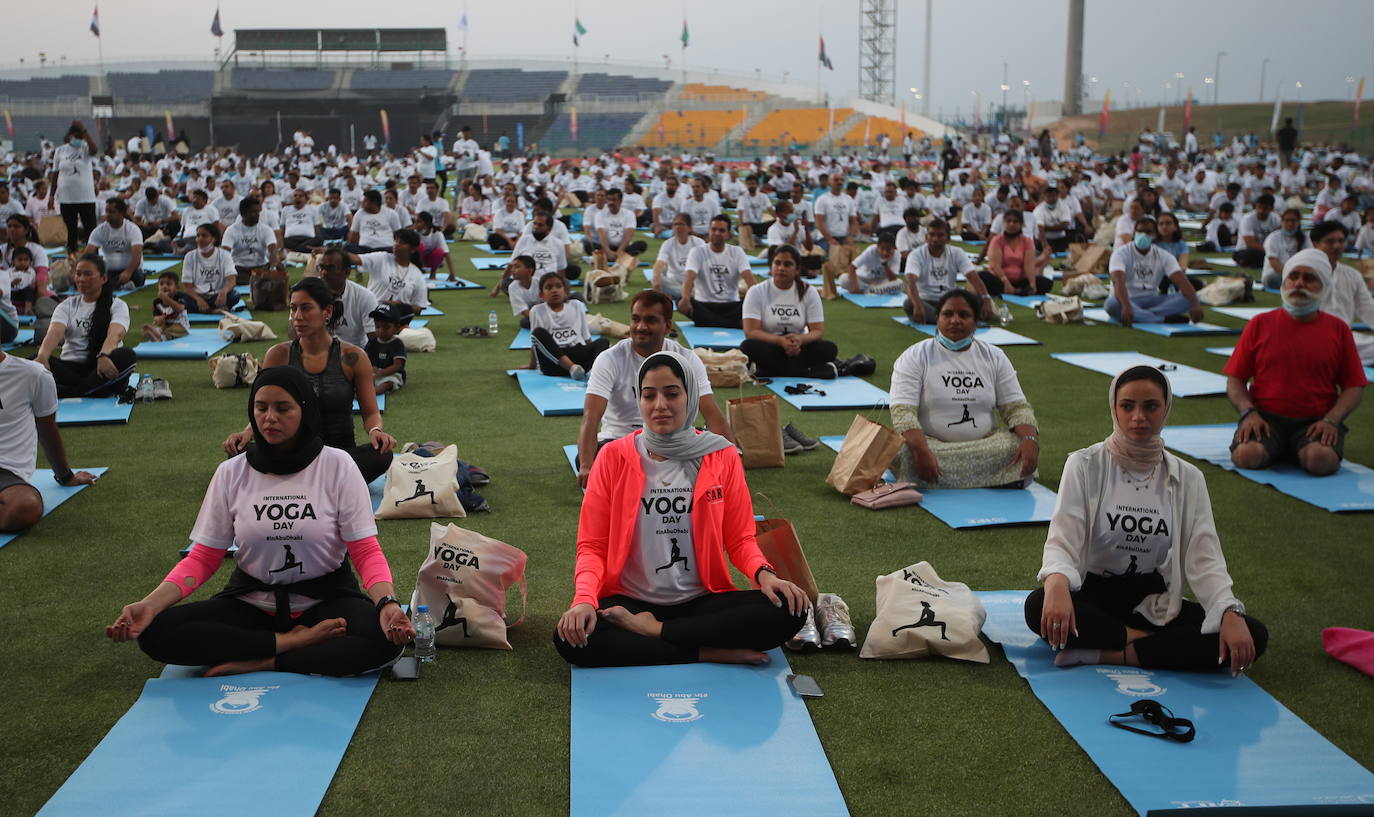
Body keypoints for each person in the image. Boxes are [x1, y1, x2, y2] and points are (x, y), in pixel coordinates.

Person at [109, 366, 413, 677]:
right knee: (156, 633)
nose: (269, 418)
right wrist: (150, 604)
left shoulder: (337, 466)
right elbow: (202, 558)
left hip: (326, 601)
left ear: (305, 411)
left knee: (385, 639)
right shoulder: (232, 473)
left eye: (283, 409)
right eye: (261, 407)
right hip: (251, 603)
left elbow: (365, 552)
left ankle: (268, 659)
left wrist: (387, 603)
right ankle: (289, 643)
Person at [554, 350, 808, 668]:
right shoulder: (612, 457)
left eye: (672, 393)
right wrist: (584, 601)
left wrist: (765, 575)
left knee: (789, 608)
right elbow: (592, 546)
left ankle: (655, 632)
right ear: (639, 400)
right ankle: (704, 651)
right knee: (571, 638)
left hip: (699, 600)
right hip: (628, 601)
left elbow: (740, 539)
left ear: (690, 396)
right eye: (649, 395)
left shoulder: (721, 455)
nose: (660, 405)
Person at [1024, 365, 1267, 675]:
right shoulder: (1084, 464)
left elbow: (1205, 558)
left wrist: (1228, 611)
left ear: (1166, 408)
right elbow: (1063, 537)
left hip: (1155, 604)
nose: (1138, 416)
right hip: (1093, 596)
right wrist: (1057, 585)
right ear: (1114, 407)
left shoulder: (1188, 478)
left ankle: (1108, 653)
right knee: (1038, 606)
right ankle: (1153, 646)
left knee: (1253, 634)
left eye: (1151, 406)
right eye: (1127, 406)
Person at [222, 277, 395, 484]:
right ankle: (319, 481)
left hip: (339, 456)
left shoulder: (353, 357)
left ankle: (301, 479)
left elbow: (371, 412)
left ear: (327, 312)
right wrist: (247, 432)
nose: (297, 316)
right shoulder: (278, 355)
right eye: (293, 309)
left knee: (382, 454)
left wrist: (377, 431)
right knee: (237, 452)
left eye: (305, 308)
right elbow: (264, 407)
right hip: (292, 454)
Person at [1226, 249, 1366, 476]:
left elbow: (1354, 387)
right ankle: (1280, 448)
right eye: (1294, 276)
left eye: (1309, 278)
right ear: (1285, 281)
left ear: (1324, 286)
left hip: (1315, 421)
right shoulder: (1260, 324)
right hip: (1265, 419)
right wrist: (1248, 414)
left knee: (1320, 460)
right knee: (1247, 456)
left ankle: (1295, 449)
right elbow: (1235, 379)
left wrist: (1331, 421)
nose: (1299, 283)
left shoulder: (1338, 330)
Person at [576, 290, 732, 489]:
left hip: (674, 441)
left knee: (712, 448)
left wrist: (731, 457)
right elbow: (591, 416)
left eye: (650, 320)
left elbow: (711, 412)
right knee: (597, 460)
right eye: (635, 319)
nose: (640, 327)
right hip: (620, 442)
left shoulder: (687, 359)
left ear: (667, 326)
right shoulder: (609, 359)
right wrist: (588, 466)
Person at [889, 289, 1040, 490]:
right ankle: (998, 479)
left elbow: (1017, 408)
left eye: (964, 315)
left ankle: (935, 481)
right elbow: (903, 413)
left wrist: (1029, 439)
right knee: (904, 452)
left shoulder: (994, 356)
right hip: (930, 445)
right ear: (937, 318)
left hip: (984, 444)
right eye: (948, 314)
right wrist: (922, 451)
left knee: (1015, 446)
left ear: (976, 321)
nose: (955, 320)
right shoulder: (915, 356)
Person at [0, 343, 97, 532]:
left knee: (25, 506)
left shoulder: (33, 375)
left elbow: (47, 430)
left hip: (5, 472)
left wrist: (65, 476)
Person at [35, 255, 137, 398]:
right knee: (31, 362)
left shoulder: (117, 305)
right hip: (71, 369)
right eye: (78, 274)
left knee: (127, 356)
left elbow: (115, 335)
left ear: (104, 278)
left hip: (102, 366)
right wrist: (42, 357)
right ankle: (92, 389)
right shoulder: (67, 305)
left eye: (88, 274)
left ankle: (71, 391)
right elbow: (54, 333)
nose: (81, 279)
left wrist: (103, 355)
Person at [741, 245, 844, 380]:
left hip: (798, 348)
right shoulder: (756, 291)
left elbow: (817, 331)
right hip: (770, 344)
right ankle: (806, 372)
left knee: (829, 349)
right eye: (777, 263)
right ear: (771, 265)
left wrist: (799, 340)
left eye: (787, 264)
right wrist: (779, 341)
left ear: (797, 270)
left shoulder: (809, 291)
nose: (781, 268)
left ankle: (767, 370)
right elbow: (751, 332)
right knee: (748, 346)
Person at [1106, 216, 1203, 326]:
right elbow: (1118, 282)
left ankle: (1143, 316)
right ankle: (1161, 319)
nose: (1144, 234)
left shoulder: (1163, 255)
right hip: (1126, 299)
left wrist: (1195, 304)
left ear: (1155, 234)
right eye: (1140, 231)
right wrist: (1127, 306)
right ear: (1134, 233)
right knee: (1112, 304)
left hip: (1153, 300)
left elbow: (1182, 280)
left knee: (1192, 297)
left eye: (1148, 232)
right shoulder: (1120, 253)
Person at [903, 219, 990, 323]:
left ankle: (945, 318)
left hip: (950, 301)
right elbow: (910, 282)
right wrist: (917, 305)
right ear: (926, 237)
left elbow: (973, 277)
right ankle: (955, 319)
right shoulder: (916, 255)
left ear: (948, 238)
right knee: (909, 304)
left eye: (940, 235)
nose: (935, 239)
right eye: (932, 234)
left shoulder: (957, 252)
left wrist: (986, 298)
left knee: (977, 299)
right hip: (925, 300)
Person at [681, 215, 756, 328]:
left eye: (721, 230)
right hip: (704, 305)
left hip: (731, 306)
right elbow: (689, 277)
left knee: (750, 304)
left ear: (728, 234)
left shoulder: (737, 252)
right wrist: (685, 298)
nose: (717, 233)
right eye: (713, 229)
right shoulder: (697, 252)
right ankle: (730, 323)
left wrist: (758, 300)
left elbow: (749, 279)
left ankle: (709, 321)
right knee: (681, 301)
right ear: (709, 231)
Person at [528, 273, 607, 380]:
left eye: (558, 286)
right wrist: (531, 365)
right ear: (541, 295)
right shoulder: (537, 310)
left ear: (565, 291)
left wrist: (593, 352)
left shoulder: (577, 305)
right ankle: (572, 368)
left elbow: (586, 337)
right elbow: (536, 342)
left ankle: (595, 372)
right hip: (554, 363)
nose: (554, 290)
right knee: (538, 332)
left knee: (603, 342)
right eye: (549, 287)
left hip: (578, 357)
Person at [48, 120, 99, 254]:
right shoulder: (60, 151)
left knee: (90, 231)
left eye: (80, 137)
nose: (78, 139)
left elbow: (95, 150)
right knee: (70, 232)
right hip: (66, 198)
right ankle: (71, 258)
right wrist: (51, 195)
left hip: (86, 197)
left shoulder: (86, 148)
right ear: (70, 136)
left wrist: (84, 130)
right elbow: (55, 174)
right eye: (76, 136)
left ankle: (93, 259)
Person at [982, 209, 1051, 297]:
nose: (1011, 224)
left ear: (1021, 224)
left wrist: (1032, 284)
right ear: (1004, 223)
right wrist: (1006, 282)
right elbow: (995, 266)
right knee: (983, 277)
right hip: (999, 279)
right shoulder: (997, 240)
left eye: (1015, 222)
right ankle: (1015, 291)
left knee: (1045, 283)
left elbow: (1029, 266)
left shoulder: (1027, 241)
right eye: (1008, 221)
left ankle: (1017, 290)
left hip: (1020, 280)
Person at [81, 199, 145, 289]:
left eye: (111, 212)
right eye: (106, 211)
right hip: (109, 270)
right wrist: (76, 271)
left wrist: (128, 272)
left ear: (121, 213)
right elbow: (87, 254)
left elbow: (137, 257)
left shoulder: (133, 230)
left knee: (138, 277)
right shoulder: (100, 230)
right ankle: (116, 285)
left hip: (131, 271)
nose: (107, 214)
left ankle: (112, 285)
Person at [178, 223, 240, 313]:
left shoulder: (224, 255)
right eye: (198, 236)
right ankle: (213, 310)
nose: (200, 239)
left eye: (204, 236)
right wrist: (199, 299)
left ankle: (206, 309)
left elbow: (232, 280)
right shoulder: (189, 256)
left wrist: (223, 292)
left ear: (213, 239)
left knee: (234, 296)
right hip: (197, 296)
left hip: (217, 296)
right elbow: (188, 287)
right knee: (180, 298)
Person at [222, 198, 281, 281]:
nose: (258, 215)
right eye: (254, 212)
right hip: (239, 268)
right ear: (243, 214)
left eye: (258, 212)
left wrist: (273, 268)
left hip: (260, 267)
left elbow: (273, 250)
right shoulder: (231, 230)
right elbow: (225, 252)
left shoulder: (266, 229)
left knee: (279, 269)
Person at [651, 213, 705, 300]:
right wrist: (656, 280)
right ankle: (688, 294)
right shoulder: (668, 244)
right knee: (657, 278)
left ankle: (683, 294)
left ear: (689, 228)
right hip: (674, 282)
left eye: (681, 224)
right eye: (675, 224)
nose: (677, 227)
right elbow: (659, 264)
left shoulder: (699, 243)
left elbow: (704, 267)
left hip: (693, 283)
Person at [1261, 208, 1311, 290]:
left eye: (1293, 221)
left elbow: (1308, 259)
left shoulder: (1305, 238)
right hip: (1278, 274)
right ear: (1281, 222)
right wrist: (1292, 276)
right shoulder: (1273, 238)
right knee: (1271, 278)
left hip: (1299, 274)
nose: (1290, 223)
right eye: (1286, 221)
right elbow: (1274, 264)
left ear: (1298, 222)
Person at [366, 305, 407, 396]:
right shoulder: (372, 342)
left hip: (392, 374)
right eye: (377, 327)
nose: (381, 331)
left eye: (386, 327)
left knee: (388, 383)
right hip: (374, 373)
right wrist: (372, 370)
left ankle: (371, 393)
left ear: (396, 328)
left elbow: (397, 366)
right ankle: (361, 391)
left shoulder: (397, 343)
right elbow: (366, 359)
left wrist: (381, 373)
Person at [1234, 193, 1280, 268]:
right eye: (1259, 207)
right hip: (1246, 250)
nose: (1261, 211)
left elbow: (1279, 238)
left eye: (1265, 208)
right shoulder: (1247, 219)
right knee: (1253, 254)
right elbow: (1250, 244)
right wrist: (1270, 251)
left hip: (1266, 250)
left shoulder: (1276, 219)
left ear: (1271, 208)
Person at [142, 271, 190, 342]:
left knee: (171, 330)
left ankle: (160, 338)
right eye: (161, 284)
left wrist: (165, 298)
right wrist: (158, 319)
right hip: (166, 324)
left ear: (177, 287)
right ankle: (155, 333)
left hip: (181, 325)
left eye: (168, 284)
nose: (164, 286)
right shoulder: (157, 302)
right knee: (160, 328)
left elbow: (180, 308)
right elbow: (156, 315)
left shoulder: (180, 296)